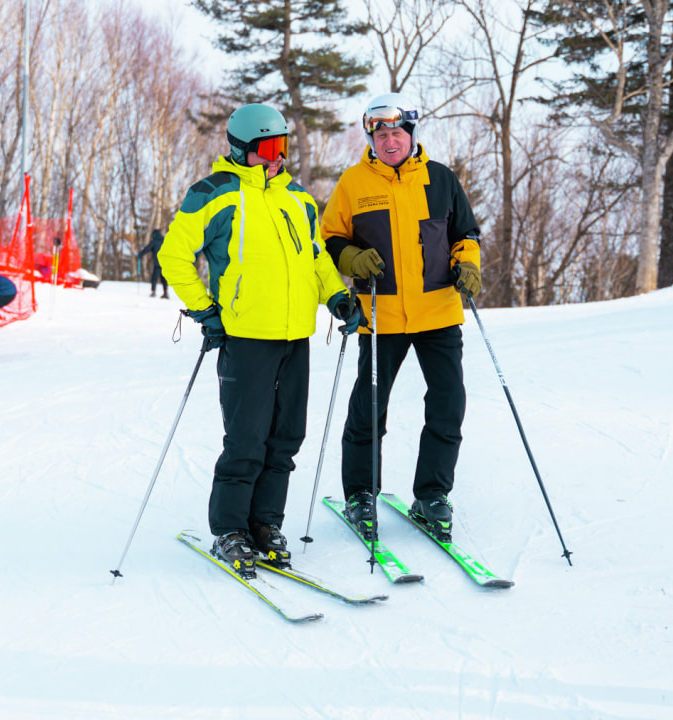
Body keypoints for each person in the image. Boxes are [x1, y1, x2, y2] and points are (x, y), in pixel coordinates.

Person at [159, 103, 360, 578]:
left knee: (287, 437)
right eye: (268, 148)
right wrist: (205, 309)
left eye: (283, 147)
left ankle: (265, 525)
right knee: (247, 437)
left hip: (295, 335)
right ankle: (230, 529)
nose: (277, 158)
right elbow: (173, 256)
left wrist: (336, 298)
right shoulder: (213, 194)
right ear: (242, 149)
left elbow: (315, 259)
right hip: (246, 336)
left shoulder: (299, 199)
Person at [321, 92, 482, 543]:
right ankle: (360, 494)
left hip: (438, 312)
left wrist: (468, 263)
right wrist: (351, 257)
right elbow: (331, 237)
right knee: (369, 409)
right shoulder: (353, 183)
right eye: (381, 134)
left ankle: (431, 494)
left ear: (411, 134)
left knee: (448, 405)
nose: (390, 142)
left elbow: (465, 233)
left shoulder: (441, 179)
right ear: (371, 137)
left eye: (397, 133)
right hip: (381, 314)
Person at [137, 227, 169, 298]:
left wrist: (140, 254)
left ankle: (153, 292)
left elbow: (147, 249)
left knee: (154, 278)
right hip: (165, 264)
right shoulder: (164, 241)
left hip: (157, 264)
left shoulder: (154, 242)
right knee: (164, 279)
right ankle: (166, 293)